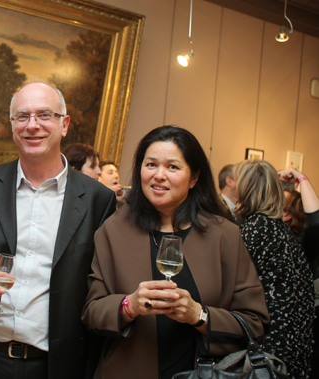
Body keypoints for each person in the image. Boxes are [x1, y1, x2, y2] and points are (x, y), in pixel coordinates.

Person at [0, 80, 116, 379]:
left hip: (54, 365)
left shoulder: (98, 199)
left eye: (44, 115)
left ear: (64, 124)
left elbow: (101, 283)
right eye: (22, 116)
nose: (32, 125)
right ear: (12, 124)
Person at [82, 126, 269, 379]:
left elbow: (254, 323)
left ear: (194, 178)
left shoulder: (224, 235)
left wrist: (198, 315)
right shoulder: (113, 230)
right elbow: (92, 312)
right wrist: (130, 305)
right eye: (151, 165)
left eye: (172, 167)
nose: (159, 175)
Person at [236, 160, 314, 379]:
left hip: (269, 346)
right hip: (296, 343)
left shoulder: (253, 229)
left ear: (244, 189)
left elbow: (232, 287)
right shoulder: (284, 232)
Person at [277, 168, 319, 379]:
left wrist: (302, 178)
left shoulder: (303, 244)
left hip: (294, 334)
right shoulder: (263, 232)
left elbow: (316, 220)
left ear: (286, 213)